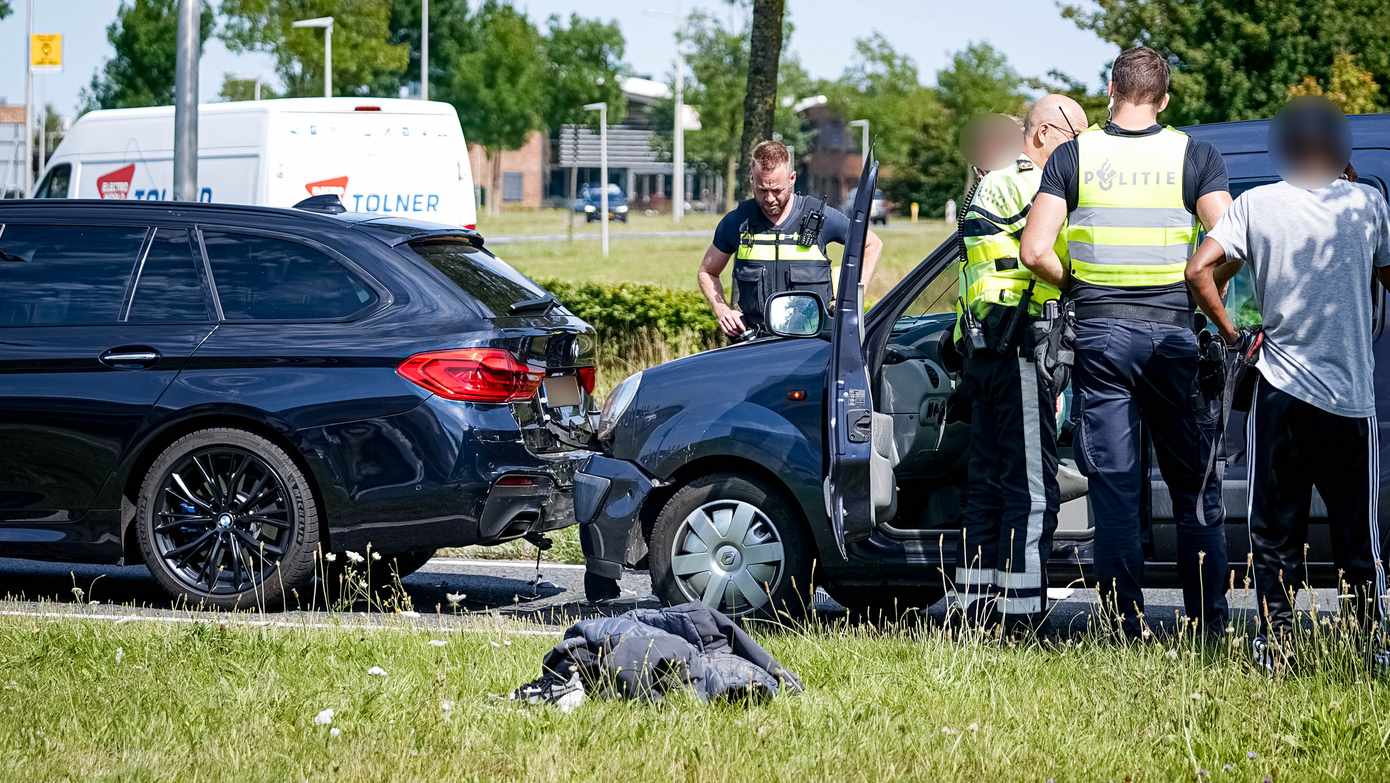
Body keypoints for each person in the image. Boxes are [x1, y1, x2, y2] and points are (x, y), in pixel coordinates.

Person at [1019, 46, 1232, 635]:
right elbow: (1232, 239)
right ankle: (1209, 624)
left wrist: (1083, 286)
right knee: (1192, 483)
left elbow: (1034, 251)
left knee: (1114, 487)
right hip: (1172, 333)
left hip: (1101, 333)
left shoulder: (1073, 155)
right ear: (1165, 98)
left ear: (1110, 90)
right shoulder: (1195, 154)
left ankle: (1122, 627)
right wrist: (1201, 291)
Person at [1185, 96, 1390, 670]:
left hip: (1278, 390)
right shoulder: (1366, 205)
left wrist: (1233, 334)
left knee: (1275, 531)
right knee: (1358, 534)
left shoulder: (1256, 204)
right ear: (1337, 149)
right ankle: (1373, 643)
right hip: (1350, 396)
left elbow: (1198, 272)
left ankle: (1274, 645)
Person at [949, 95, 1090, 628]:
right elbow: (1060, 252)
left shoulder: (993, 183)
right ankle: (1022, 615)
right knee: (1033, 488)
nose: (1076, 152)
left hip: (984, 349)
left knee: (986, 483)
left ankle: (974, 612)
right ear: (1047, 133)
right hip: (1023, 347)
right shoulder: (1037, 183)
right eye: (1073, 139)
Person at [698, 140, 883, 337]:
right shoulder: (737, 222)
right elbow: (707, 272)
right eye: (762, 190)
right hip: (755, 343)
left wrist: (850, 300)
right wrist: (723, 311)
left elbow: (872, 244)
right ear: (752, 179)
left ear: (792, 178)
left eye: (777, 190)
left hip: (811, 345)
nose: (769, 199)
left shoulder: (821, 217)